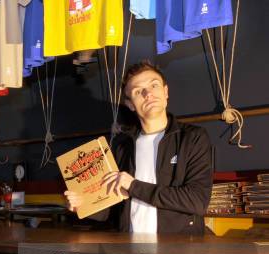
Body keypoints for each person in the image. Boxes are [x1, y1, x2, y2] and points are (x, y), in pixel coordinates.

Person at [64, 61, 213, 235]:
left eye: (154, 85)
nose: (148, 93)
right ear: (130, 104)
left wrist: (133, 186)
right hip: (131, 251)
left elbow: (197, 201)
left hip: (178, 251)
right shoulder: (122, 146)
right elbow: (111, 210)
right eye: (137, 91)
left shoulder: (193, 138)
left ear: (166, 92)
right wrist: (83, 206)